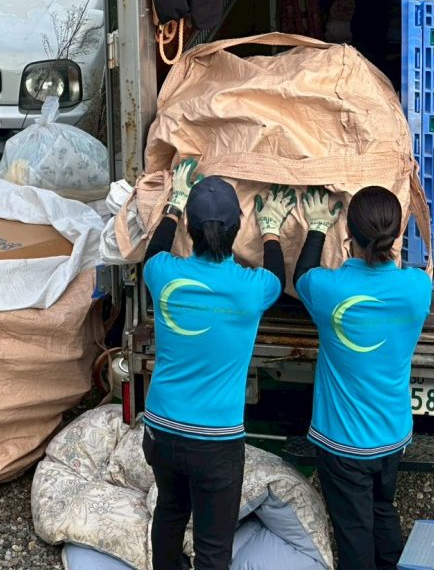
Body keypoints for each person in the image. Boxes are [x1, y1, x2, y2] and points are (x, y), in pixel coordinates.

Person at [140, 158, 297, 570]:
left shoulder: (162, 274)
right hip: (216, 444)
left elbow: (155, 248)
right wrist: (271, 228)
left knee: (170, 511)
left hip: (161, 431)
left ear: (190, 229)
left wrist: (173, 204)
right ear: (237, 228)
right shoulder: (252, 289)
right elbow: (277, 275)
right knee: (213, 548)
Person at [293, 185, 432, 570]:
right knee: (382, 510)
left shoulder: (328, 290)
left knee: (353, 532)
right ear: (397, 235)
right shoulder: (418, 288)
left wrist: (317, 227)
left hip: (342, 442)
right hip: (391, 435)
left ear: (348, 234)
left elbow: (302, 274)